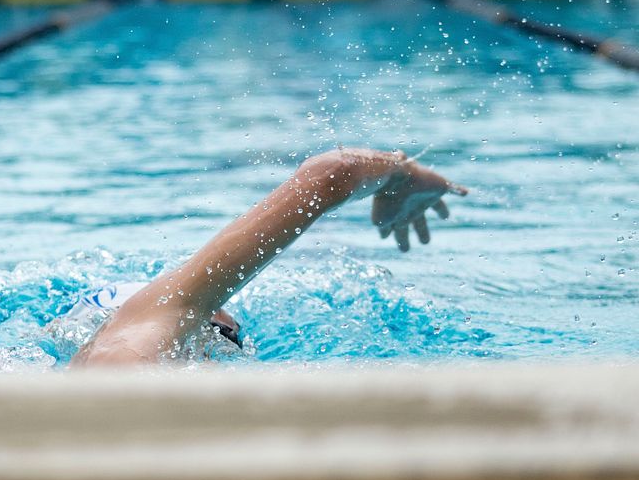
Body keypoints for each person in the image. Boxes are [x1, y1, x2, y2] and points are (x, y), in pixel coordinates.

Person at [72, 148, 467, 367]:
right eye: (220, 331)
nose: (231, 335)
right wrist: (402, 173)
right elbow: (332, 172)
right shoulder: (134, 345)